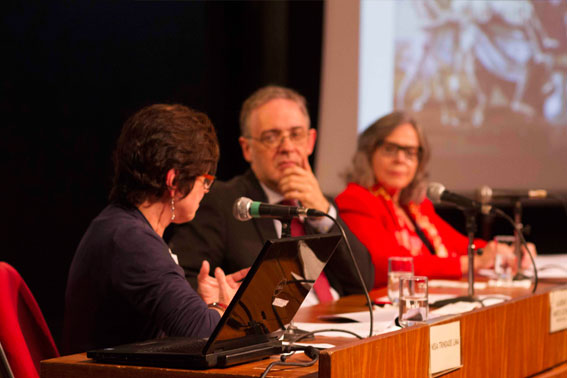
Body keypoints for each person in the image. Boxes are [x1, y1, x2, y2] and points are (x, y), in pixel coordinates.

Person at [63, 104, 247, 354]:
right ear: (174, 181)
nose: (206, 190)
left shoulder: (123, 227)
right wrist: (224, 307)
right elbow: (203, 333)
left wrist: (207, 305)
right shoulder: (130, 240)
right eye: (205, 181)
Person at [165, 86, 374, 303]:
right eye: (271, 137)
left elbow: (362, 283)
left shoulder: (320, 204)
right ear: (247, 149)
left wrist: (322, 213)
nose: (287, 147)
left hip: (338, 328)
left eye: (296, 134)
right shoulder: (222, 202)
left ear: (310, 141)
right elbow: (185, 281)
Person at [335, 111, 530, 289]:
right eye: (390, 149)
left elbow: (459, 245)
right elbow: (388, 264)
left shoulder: (415, 206)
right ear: (368, 154)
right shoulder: (356, 199)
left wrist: (503, 252)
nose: (401, 159)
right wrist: (472, 263)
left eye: (410, 152)